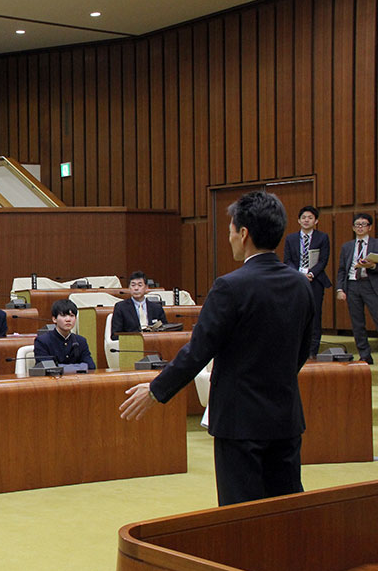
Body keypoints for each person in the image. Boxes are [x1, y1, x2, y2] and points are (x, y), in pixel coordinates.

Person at [120, 191, 313, 506]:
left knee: (240, 517)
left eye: (230, 231)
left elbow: (198, 351)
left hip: (240, 423)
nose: (230, 239)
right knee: (287, 513)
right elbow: (303, 349)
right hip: (284, 417)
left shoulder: (230, 287)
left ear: (244, 233)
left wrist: (157, 390)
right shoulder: (301, 285)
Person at [282, 205, 331, 358]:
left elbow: (323, 260)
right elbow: (288, 260)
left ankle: (312, 352)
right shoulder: (291, 238)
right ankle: (297, 349)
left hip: (315, 281)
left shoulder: (322, 237)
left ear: (316, 221)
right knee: (297, 314)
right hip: (296, 281)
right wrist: (298, 275)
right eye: (303, 217)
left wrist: (311, 274)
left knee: (315, 315)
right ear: (298, 220)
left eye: (310, 218)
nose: (306, 220)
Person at [335, 213, 378, 364]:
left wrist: (372, 265)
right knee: (357, 322)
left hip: (370, 284)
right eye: (357, 224)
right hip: (352, 284)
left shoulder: (376, 244)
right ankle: (365, 355)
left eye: (364, 224)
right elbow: (341, 269)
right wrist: (340, 289)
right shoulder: (347, 246)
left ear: (370, 227)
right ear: (353, 227)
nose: (360, 227)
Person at [33, 299, 96, 369]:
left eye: (72, 316)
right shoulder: (42, 341)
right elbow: (48, 369)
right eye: (63, 315)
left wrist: (60, 367)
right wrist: (80, 367)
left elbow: (91, 366)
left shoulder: (81, 341)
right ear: (54, 319)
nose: (68, 319)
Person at [110, 271, 168, 339]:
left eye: (140, 285)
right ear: (129, 288)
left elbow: (165, 331)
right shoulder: (121, 307)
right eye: (133, 285)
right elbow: (115, 334)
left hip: (152, 342)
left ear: (146, 288)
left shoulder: (157, 308)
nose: (136, 288)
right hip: (131, 345)